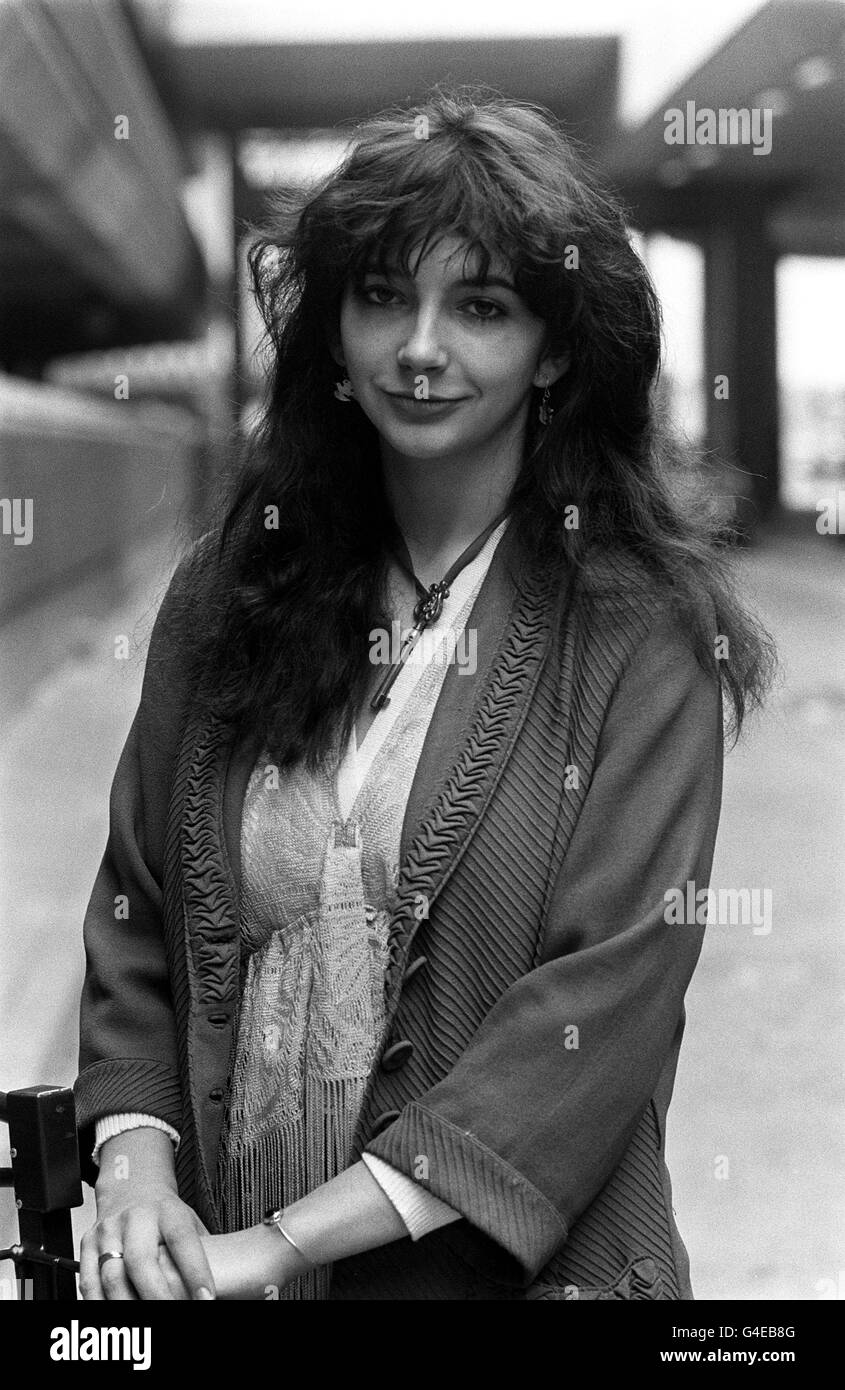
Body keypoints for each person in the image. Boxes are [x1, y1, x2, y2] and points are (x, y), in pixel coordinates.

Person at [73, 88, 775, 1301]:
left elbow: (594, 1015)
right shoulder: (231, 587)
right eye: (384, 295)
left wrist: (279, 1248)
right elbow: (137, 907)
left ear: (555, 347)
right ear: (332, 327)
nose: (417, 348)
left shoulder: (641, 629)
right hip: (210, 1265)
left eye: (481, 307)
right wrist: (134, 1154)